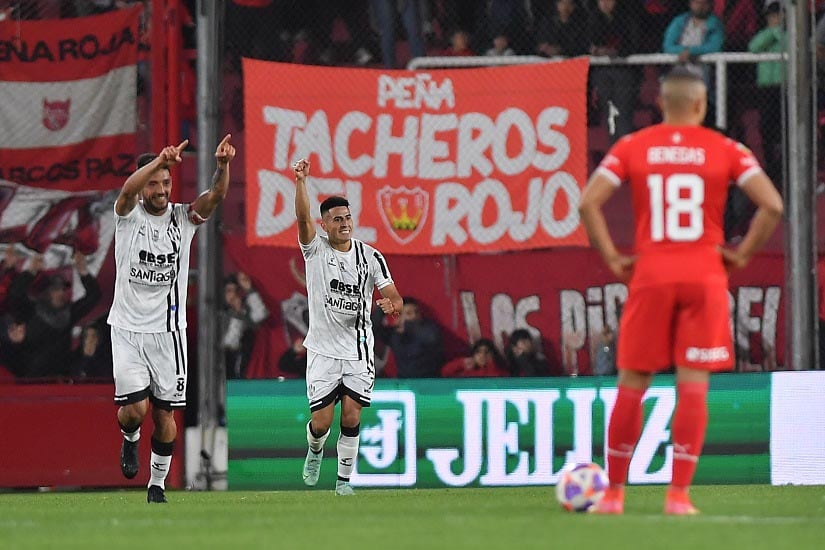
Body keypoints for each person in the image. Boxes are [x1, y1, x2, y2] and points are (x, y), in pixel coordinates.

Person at [578, 64, 783, 515]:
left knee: (632, 384)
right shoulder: (726, 148)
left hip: (651, 273)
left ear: (661, 103)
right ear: (701, 104)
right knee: (693, 388)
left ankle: (613, 495)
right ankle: (678, 496)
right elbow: (771, 204)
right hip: (704, 273)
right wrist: (742, 253)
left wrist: (614, 258)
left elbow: (589, 201)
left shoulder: (634, 145)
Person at [107, 135, 236, 503]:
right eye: (155, 182)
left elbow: (215, 197)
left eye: (166, 182)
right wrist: (156, 162)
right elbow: (127, 190)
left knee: (165, 417)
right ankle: (130, 438)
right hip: (128, 330)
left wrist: (223, 166)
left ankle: (157, 485)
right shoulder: (129, 215)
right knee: (134, 410)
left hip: (168, 334)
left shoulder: (183, 219)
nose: (162, 189)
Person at [293, 157, 403, 496]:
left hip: (358, 351)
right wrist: (301, 183)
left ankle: (343, 483)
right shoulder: (314, 250)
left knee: (352, 417)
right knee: (323, 423)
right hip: (323, 351)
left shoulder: (371, 257)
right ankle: (314, 450)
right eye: (337, 219)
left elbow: (395, 297)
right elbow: (301, 218)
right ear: (324, 225)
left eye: (348, 217)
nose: (344, 224)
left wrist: (391, 304)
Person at [6, 252, 101, 379]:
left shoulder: (68, 314)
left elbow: (94, 296)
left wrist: (82, 271)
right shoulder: (30, 310)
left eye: (63, 289)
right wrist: (31, 271)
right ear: (46, 292)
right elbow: (15, 292)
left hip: (59, 379)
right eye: (56, 289)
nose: (61, 293)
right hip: (29, 379)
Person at [373, 296, 444, 378]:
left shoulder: (429, 329)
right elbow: (372, 328)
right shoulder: (394, 334)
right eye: (409, 313)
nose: (414, 316)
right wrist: (382, 309)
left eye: (416, 312)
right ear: (400, 317)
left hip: (429, 382)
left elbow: (432, 338)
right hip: (404, 383)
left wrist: (406, 326)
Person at [221, 272, 270, 379]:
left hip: (247, 366)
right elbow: (230, 343)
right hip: (224, 369)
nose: (233, 295)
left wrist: (249, 289)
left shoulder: (244, 310)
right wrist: (237, 314)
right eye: (229, 291)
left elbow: (260, 315)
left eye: (236, 291)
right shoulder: (219, 315)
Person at [441, 338, 509, 378]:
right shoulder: (467, 372)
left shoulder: (501, 371)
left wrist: (491, 364)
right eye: (478, 352)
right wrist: (462, 363)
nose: (482, 355)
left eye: (487, 352)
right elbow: (445, 372)